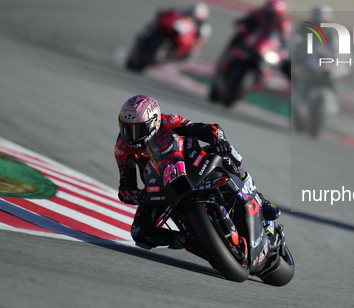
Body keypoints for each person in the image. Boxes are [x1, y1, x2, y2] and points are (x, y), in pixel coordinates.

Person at [115, 94, 280, 250]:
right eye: (126, 129)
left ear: (154, 122)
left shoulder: (169, 121)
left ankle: (258, 198)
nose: (131, 136)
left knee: (228, 153)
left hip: (188, 166)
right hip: (159, 188)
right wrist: (138, 196)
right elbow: (125, 188)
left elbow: (208, 129)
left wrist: (219, 141)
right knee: (140, 233)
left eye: (138, 129)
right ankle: (191, 240)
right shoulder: (122, 148)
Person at [229, 0, 292, 78]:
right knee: (237, 44)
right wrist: (244, 30)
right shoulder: (258, 14)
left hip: (268, 50)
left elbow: (287, 42)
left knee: (287, 65)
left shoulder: (284, 24)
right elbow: (243, 23)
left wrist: (281, 54)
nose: (272, 17)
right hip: (252, 43)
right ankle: (228, 61)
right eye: (270, 14)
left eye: (275, 16)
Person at [137, 1, 212, 60]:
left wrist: (194, 50)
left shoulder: (204, 27)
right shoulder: (182, 11)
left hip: (186, 39)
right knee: (153, 26)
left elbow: (201, 41)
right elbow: (168, 12)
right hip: (171, 29)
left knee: (191, 54)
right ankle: (148, 33)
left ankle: (179, 54)